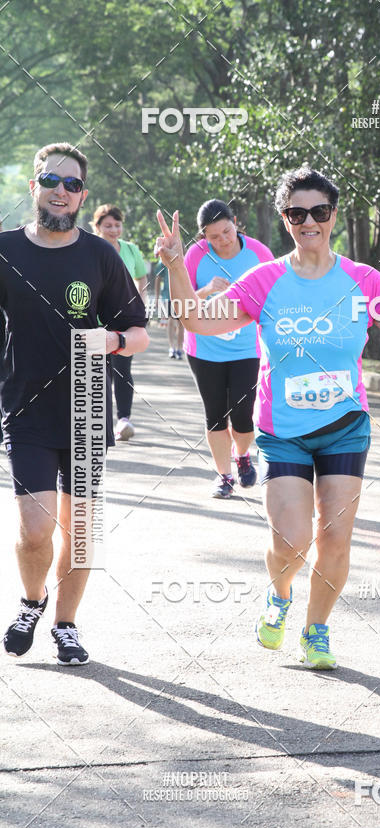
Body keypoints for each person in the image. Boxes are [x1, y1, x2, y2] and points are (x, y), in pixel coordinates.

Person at [155, 166, 380, 670]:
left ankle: (316, 630)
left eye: (318, 212)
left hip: (346, 426)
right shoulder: (264, 281)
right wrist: (175, 265)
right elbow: (195, 320)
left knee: (335, 538)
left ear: (333, 216)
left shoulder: (363, 281)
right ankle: (279, 594)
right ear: (285, 220)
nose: (309, 222)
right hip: (284, 434)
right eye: (297, 213)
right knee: (291, 542)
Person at [1, 143, 148, 665]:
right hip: (25, 405)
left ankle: (65, 624)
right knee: (36, 526)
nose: (61, 191)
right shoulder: (6, 251)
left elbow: (138, 331)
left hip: (86, 401)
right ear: (34, 185)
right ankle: (30, 601)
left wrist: (115, 342)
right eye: (51, 181)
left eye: (72, 185)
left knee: (81, 531)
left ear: (83, 196)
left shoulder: (101, 255)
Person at [182, 199, 274, 498]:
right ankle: (224, 476)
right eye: (214, 236)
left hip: (247, 349)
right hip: (204, 348)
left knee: (244, 416)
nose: (222, 240)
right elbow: (181, 303)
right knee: (215, 415)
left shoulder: (259, 253)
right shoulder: (195, 256)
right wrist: (207, 289)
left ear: (236, 223)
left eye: (226, 231)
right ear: (203, 236)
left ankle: (243, 455)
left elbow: (275, 295)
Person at [92, 204, 148, 441]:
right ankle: (98, 423)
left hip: (124, 320)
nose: (114, 229)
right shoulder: (91, 249)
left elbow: (141, 276)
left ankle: (123, 418)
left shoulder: (131, 250)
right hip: (94, 320)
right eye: (108, 226)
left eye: (117, 225)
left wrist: (139, 305)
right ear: (97, 227)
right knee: (99, 371)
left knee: (122, 369)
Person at [154, 260, 184, 358]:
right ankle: (172, 347)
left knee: (181, 323)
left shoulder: (185, 259)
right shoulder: (163, 261)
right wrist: (157, 297)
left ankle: (179, 348)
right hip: (168, 296)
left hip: (183, 296)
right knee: (171, 321)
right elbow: (158, 278)